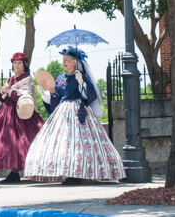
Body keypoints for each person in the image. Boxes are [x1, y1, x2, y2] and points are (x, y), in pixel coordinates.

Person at [24, 46, 125, 185]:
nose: (64, 62)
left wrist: (81, 82)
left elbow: (89, 96)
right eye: (63, 59)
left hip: (79, 112)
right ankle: (68, 173)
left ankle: (82, 173)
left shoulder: (82, 76)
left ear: (75, 62)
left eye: (67, 60)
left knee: (78, 143)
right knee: (63, 143)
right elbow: (57, 97)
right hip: (62, 112)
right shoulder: (60, 78)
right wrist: (45, 94)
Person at [0, 52, 45, 183]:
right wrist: (3, 92)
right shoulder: (10, 79)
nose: (17, 65)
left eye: (19, 63)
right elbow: (0, 98)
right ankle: (14, 171)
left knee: (22, 141)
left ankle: (21, 171)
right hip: (6, 113)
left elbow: (25, 97)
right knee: (3, 141)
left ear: (24, 65)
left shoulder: (26, 79)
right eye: (15, 63)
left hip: (21, 114)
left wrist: (10, 91)